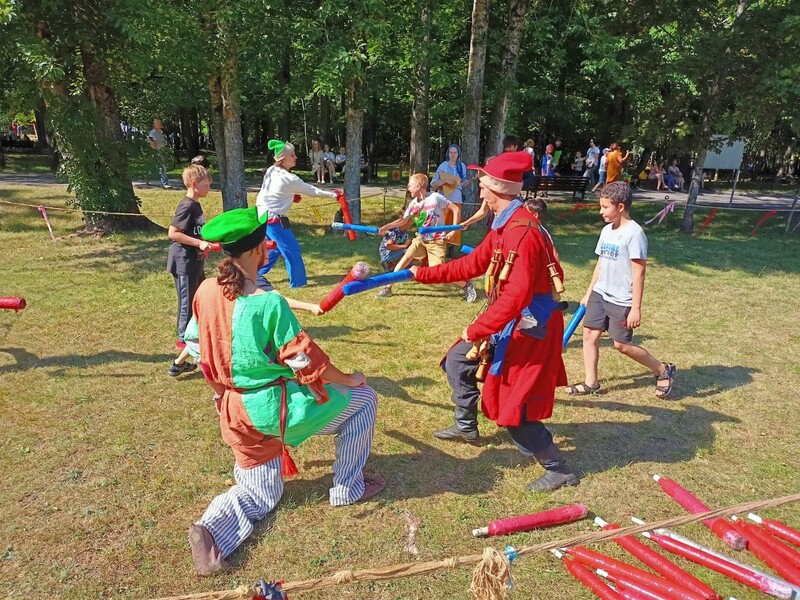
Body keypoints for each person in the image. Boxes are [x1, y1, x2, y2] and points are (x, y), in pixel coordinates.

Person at [182, 207, 385, 576]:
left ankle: (210, 531)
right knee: (365, 401)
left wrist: (217, 394)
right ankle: (347, 490)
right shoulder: (268, 302)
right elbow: (305, 361)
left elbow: (196, 348)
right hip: (274, 410)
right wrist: (347, 379)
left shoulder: (206, 291)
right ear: (261, 249)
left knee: (260, 492)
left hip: (233, 409)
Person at [409, 151, 579, 493]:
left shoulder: (523, 233)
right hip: (507, 319)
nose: (480, 192)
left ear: (499, 189)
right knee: (458, 360)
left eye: (484, 185)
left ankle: (557, 467)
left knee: (512, 403)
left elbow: (517, 298)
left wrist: (476, 330)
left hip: (531, 327)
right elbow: (473, 265)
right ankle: (466, 424)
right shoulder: (503, 224)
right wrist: (424, 274)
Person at [566, 181, 676, 399]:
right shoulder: (607, 231)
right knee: (589, 336)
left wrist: (635, 308)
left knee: (621, 345)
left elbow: (639, 273)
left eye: (605, 207)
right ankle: (591, 383)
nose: (601, 212)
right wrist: (589, 292)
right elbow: (601, 263)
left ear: (621, 207)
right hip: (600, 293)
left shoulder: (634, 234)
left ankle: (663, 370)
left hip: (621, 299)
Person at [375, 173, 477, 301]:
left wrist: (454, 230)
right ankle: (388, 288)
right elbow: (402, 221)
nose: (408, 188)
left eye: (410, 185)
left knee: (439, 272)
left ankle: (466, 285)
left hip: (436, 241)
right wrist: (386, 227)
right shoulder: (413, 204)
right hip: (421, 239)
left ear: (418, 186)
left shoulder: (435, 198)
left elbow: (455, 209)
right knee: (405, 258)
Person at [256, 139, 338, 288]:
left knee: (273, 248)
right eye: (292, 155)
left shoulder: (271, 170)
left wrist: (290, 196)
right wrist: (334, 195)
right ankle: (298, 283)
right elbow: (313, 191)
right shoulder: (289, 179)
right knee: (292, 250)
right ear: (283, 158)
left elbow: (272, 192)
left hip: (261, 216)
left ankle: (254, 275)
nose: (296, 157)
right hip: (274, 219)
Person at [166, 165, 212, 375]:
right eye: (207, 184)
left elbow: (197, 231)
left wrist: (206, 241)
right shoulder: (186, 206)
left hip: (195, 262)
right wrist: (198, 244)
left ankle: (196, 339)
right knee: (187, 304)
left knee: (198, 302)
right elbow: (173, 233)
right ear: (194, 184)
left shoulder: (196, 205)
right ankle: (182, 349)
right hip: (183, 263)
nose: (209, 187)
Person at [431, 144, 469, 248]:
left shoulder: (461, 166)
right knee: (442, 222)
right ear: (448, 153)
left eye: (455, 153)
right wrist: (445, 181)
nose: (453, 155)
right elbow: (433, 182)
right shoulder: (443, 165)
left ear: (458, 154)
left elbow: (463, 184)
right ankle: (440, 244)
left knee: (454, 222)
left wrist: (470, 181)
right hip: (444, 198)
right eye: (451, 152)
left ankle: (451, 247)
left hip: (456, 198)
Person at [149, 119, 172, 189]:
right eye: (158, 124)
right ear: (154, 125)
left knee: (158, 167)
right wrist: (155, 152)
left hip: (162, 151)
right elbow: (152, 143)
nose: (160, 125)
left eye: (160, 124)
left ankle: (148, 179)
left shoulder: (160, 132)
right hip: (158, 151)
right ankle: (165, 183)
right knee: (162, 167)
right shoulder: (153, 133)